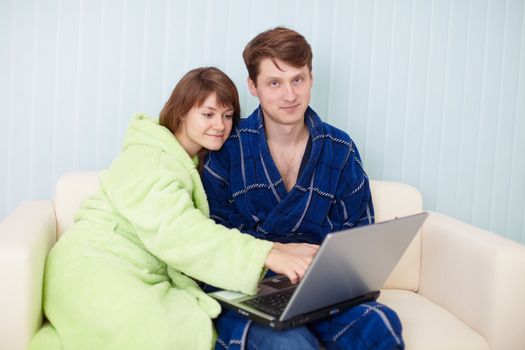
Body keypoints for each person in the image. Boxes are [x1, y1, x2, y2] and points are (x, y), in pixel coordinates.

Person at [29, 67, 318, 350]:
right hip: (93, 265)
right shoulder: (150, 158)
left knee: (185, 323)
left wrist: (280, 248)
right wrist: (266, 254)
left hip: (138, 270)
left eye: (227, 116)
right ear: (181, 112)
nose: (220, 125)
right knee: (160, 336)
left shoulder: (191, 162)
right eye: (208, 114)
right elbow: (180, 231)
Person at [202, 28, 404, 349]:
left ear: (311, 78)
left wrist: (331, 274)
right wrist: (274, 254)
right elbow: (209, 238)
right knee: (291, 343)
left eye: (298, 79)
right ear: (253, 87)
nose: (290, 95)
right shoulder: (227, 147)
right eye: (274, 83)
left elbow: (357, 235)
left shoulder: (340, 149)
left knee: (380, 325)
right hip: (247, 288)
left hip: (319, 289)